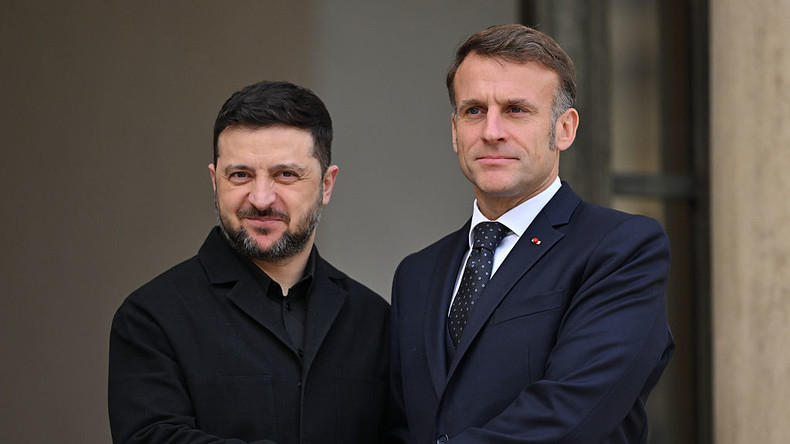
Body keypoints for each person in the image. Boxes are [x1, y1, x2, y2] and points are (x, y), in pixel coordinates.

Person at [388, 24, 674, 444]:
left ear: (565, 129)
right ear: (454, 131)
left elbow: (572, 413)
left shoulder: (622, 249)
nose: (491, 131)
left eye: (516, 110)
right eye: (474, 111)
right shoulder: (417, 274)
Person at [109, 80, 390, 444]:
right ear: (215, 182)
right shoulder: (152, 318)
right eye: (240, 175)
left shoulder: (374, 320)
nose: (260, 198)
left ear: (326, 184)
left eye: (285, 175)